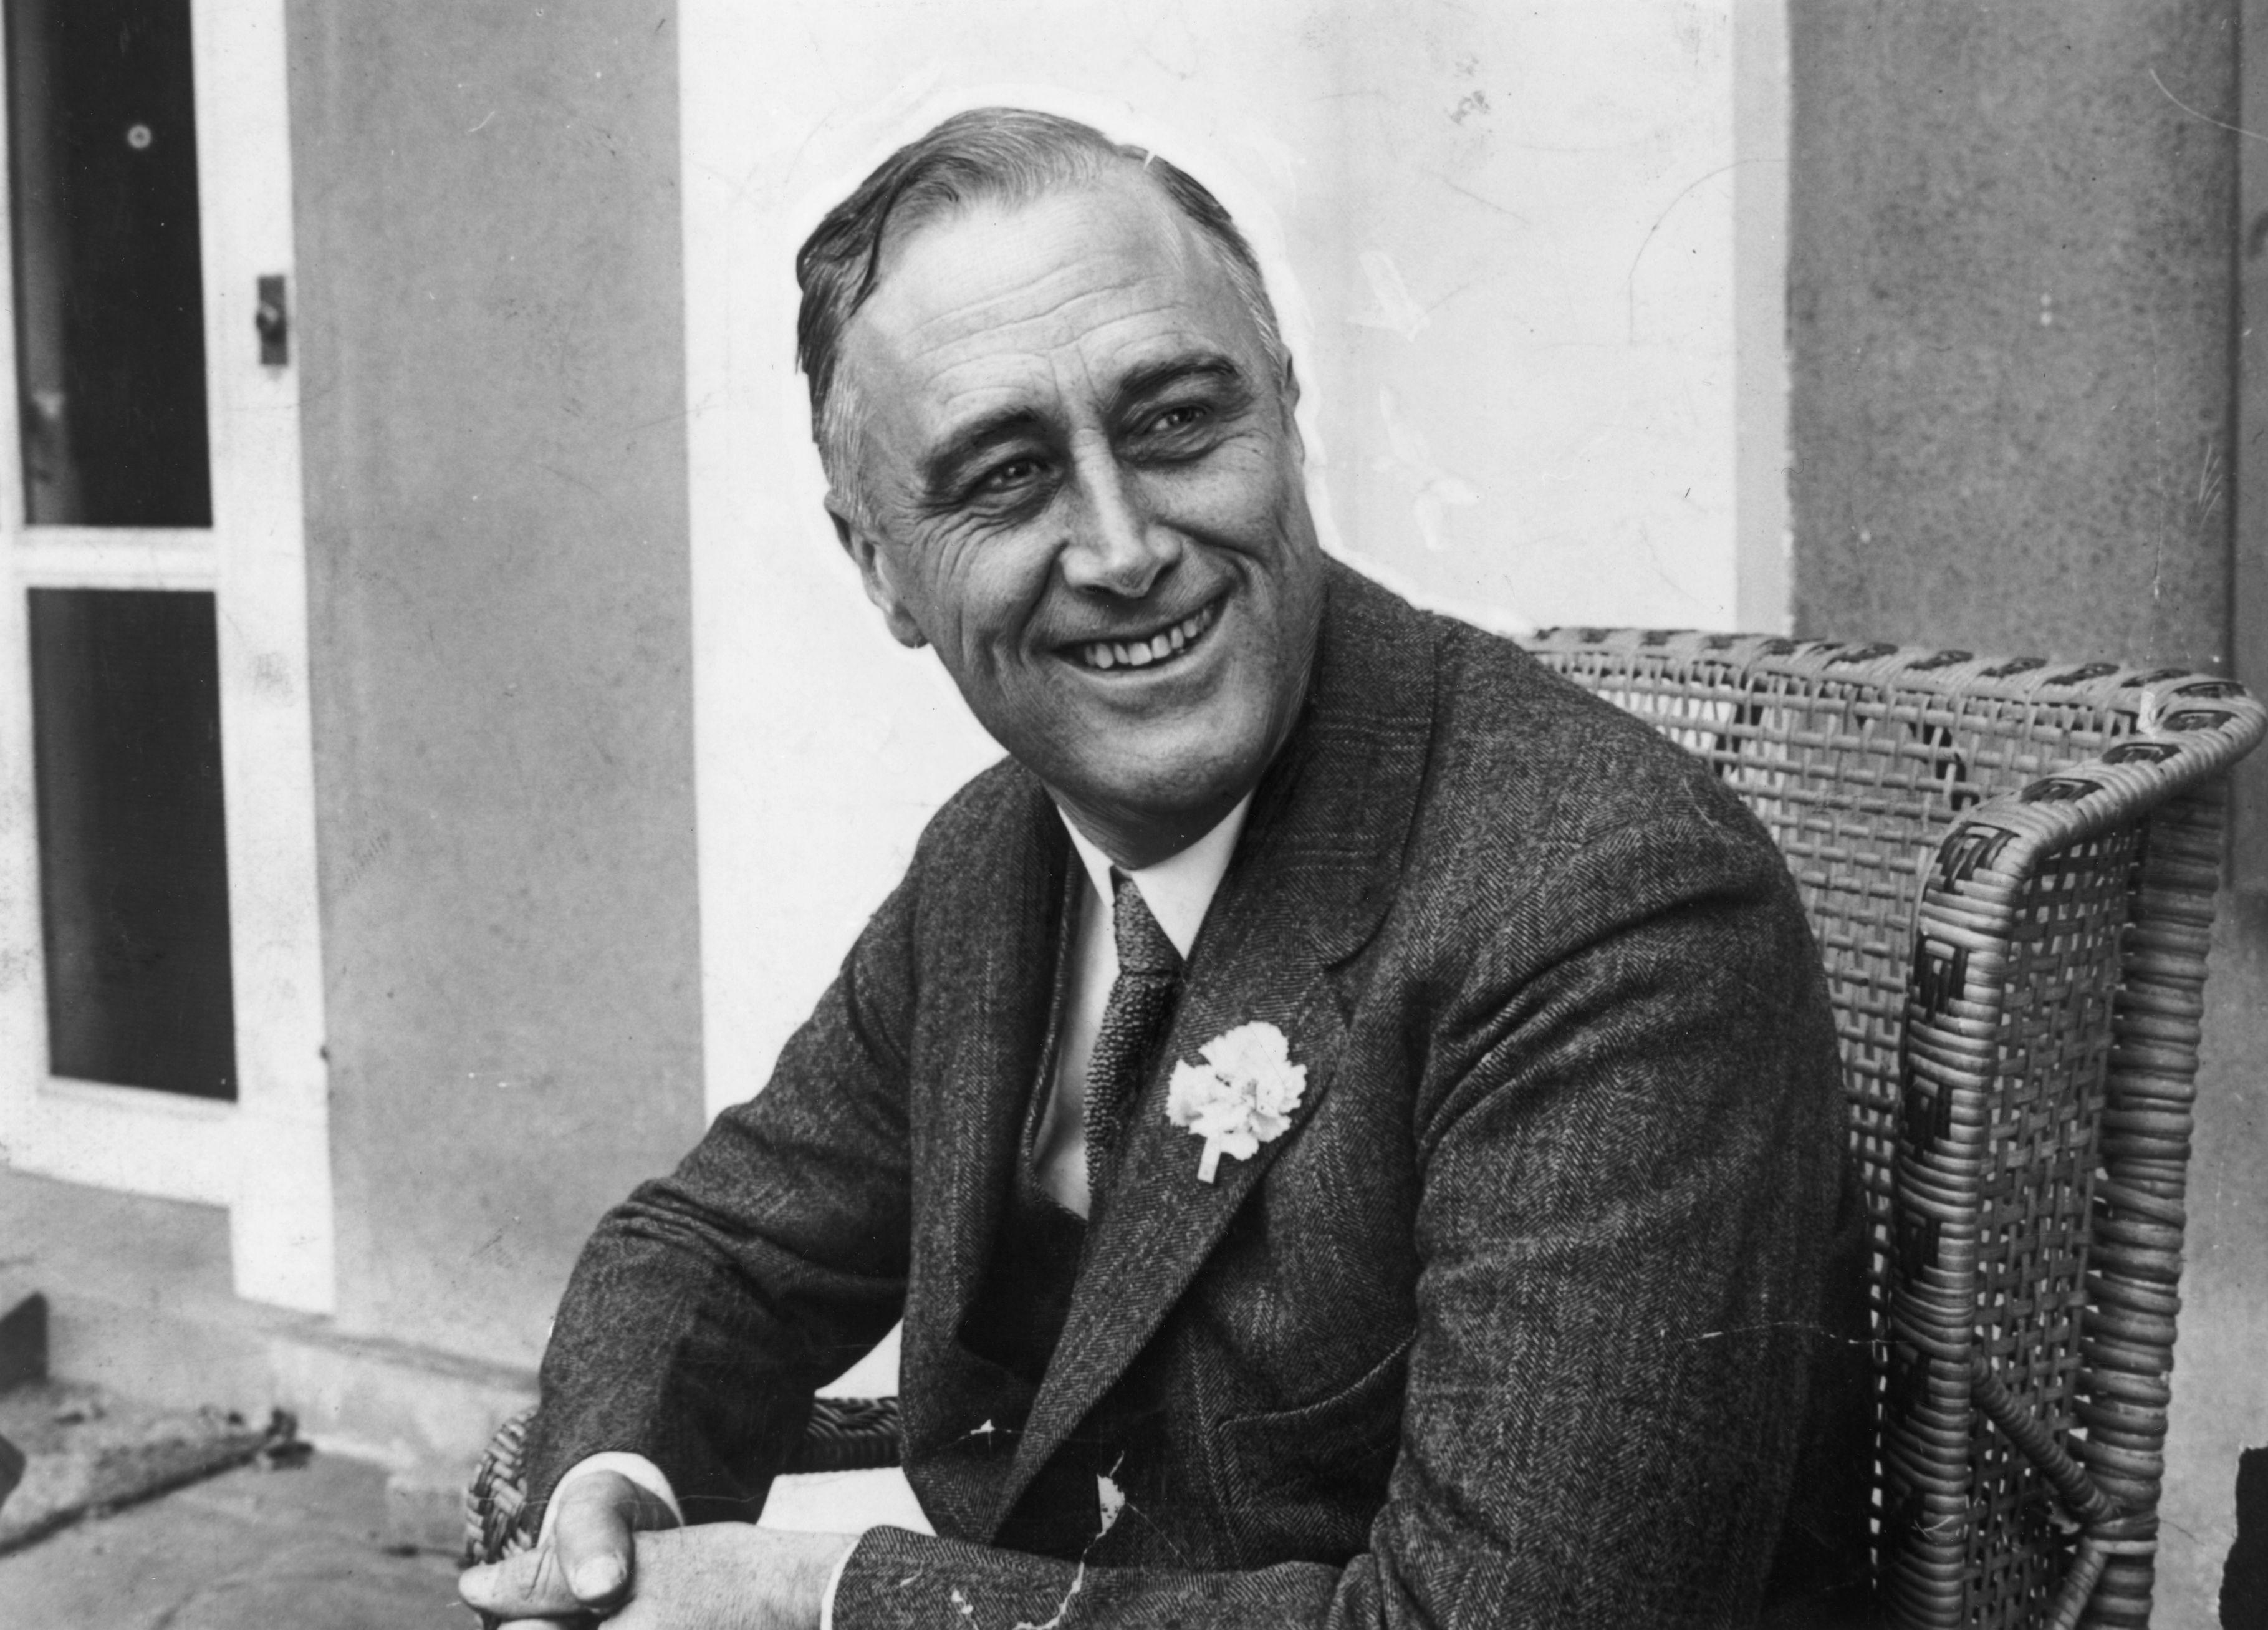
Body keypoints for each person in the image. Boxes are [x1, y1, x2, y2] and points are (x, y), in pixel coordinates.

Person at [461, 107, 1870, 1629]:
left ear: (1287, 407)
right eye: (1004, 476)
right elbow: (715, 1240)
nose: (1125, 545)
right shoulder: (997, 858)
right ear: (877, 566)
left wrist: (834, 1601)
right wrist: (619, 1477)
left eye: (1178, 420)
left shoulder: (1609, 910)